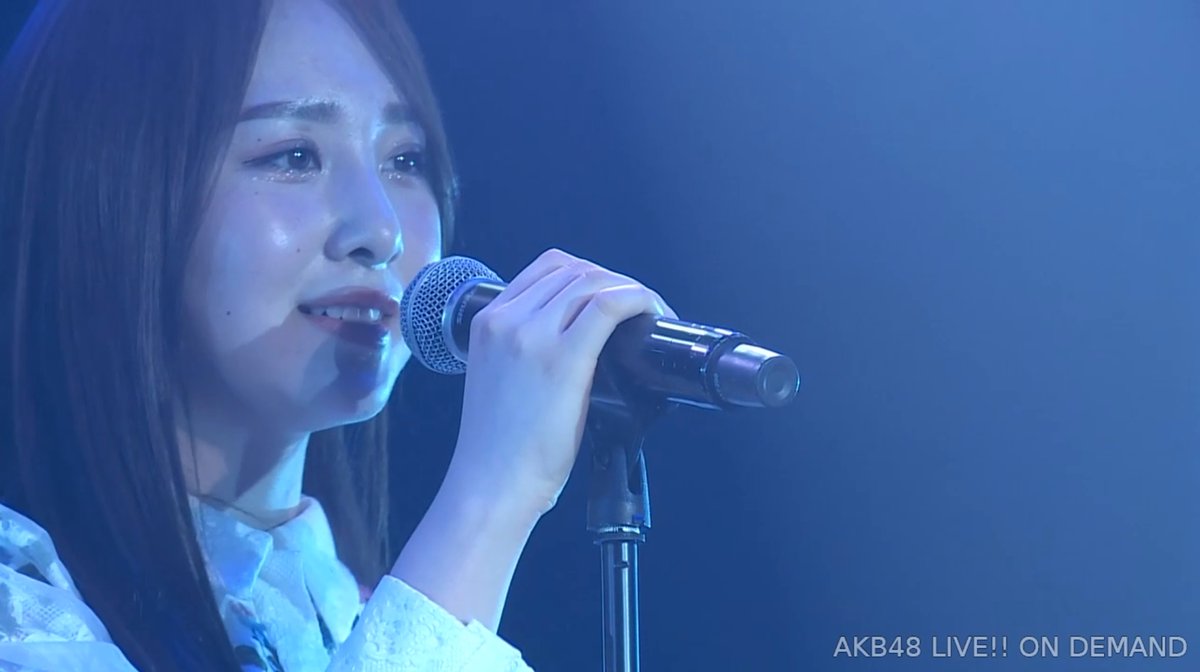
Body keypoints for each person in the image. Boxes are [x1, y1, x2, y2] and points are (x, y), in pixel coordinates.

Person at [0, 0, 675, 669]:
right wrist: (490, 497)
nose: (381, 230)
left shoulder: (357, 618)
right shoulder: (26, 612)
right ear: (107, 188)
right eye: (294, 155)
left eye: (404, 159)